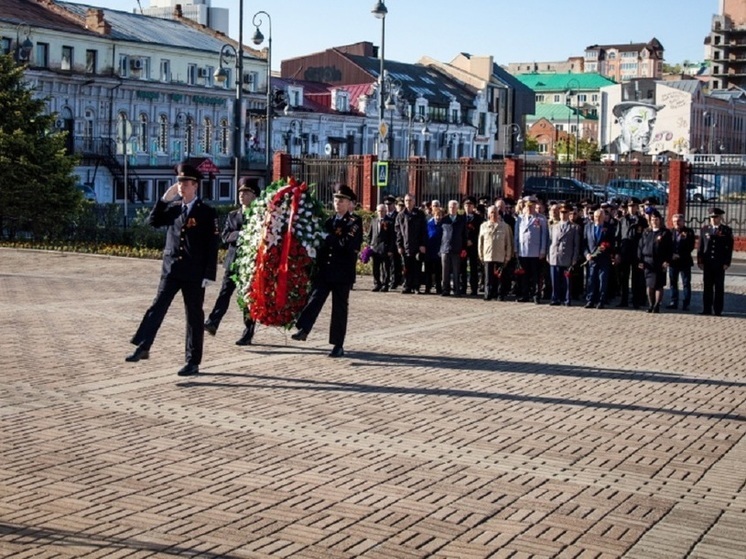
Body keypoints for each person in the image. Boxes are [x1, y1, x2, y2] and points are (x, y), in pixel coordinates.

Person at [126, 163, 220, 376]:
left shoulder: (206, 212)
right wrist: (163, 200)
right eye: (179, 182)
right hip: (172, 269)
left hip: (194, 273)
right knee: (157, 306)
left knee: (194, 317)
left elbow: (211, 245)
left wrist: (209, 274)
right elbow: (153, 222)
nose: (181, 186)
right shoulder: (174, 207)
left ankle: (193, 361)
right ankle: (143, 346)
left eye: (185, 182)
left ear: (195, 186)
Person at [291, 184, 363, 357]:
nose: (338, 203)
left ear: (349, 203)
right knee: (314, 298)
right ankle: (304, 329)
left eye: (342, 200)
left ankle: (338, 344)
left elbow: (346, 244)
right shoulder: (328, 221)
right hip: (325, 270)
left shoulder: (354, 222)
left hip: (342, 272)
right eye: (336, 199)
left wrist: (329, 238)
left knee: (339, 310)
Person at [204, 178, 259, 345]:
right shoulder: (232, 215)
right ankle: (213, 322)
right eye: (241, 192)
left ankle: (248, 333)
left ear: (254, 196)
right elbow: (225, 236)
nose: (242, 195)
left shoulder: (260, 215)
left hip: (250, 263)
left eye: (246, 192)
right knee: (224, 293)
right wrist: (240, 234)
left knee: (246, 298)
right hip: (233, 261)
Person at [697, 207, 734, 316]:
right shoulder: (705, 229)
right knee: (707, 286)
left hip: (719, 263)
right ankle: (706, 309)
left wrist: (727, 262)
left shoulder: (726, 230)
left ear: (720, 218)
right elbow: (700, 246)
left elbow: (729, 248)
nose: (713, 219)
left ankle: (718, 309)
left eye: (715, 217)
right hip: (708, 263)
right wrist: (700, 261)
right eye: (711, 217)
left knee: (718, 287)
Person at [514, 195, 549, 303]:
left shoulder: (541, 218)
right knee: (524, 275)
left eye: (532, 205)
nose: (529, 208)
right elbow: (517, 235)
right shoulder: (520, 218)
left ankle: (536, 295)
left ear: (535, 205)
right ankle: (525, 294)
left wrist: (543, 250)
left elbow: (544, 235)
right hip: (523, 251)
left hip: (535, 252)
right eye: (527, 205)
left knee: (536, 275)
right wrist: (516, 249)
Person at [614, 197, 647, 308]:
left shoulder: (642, 221)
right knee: (624, 278)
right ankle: (624, 300)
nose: (631, 208)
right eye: (629, 206)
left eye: (634, 206)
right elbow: (618, 237)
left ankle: (635, 301)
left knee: (636, 278)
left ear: (637, 207)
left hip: (637, 253)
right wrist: (617, 253)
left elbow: (645, 238)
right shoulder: (623, 220)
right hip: (625, 252)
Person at [638, 210, 673, 313]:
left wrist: (667, 261)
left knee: (658, 285)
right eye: (652, 219)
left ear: (660, 220)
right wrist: (640, 260)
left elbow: (669, 248)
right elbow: (640, 246)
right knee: (649, 285)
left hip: (660, 261)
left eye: (656, 219)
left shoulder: (665, 233)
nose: (654, 221)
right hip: (648, 261)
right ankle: (651, 304)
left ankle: (657, 305)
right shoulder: (646, 231)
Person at [478, 205, 514, 301]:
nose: (494, 214)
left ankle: (500, 294)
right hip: (488, 255)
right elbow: (480, 242)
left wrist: (508, 256)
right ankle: (488, 293)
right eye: (492, 212)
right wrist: (481, 255)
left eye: (495, 212)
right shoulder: (483, 226)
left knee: (500, 277)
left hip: (500, 256)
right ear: (488, 214)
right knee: (488, 278)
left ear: (498, 214)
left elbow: (508, 242)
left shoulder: (505, 226)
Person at [395, 193, 428, 294]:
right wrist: (399, 245)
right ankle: (407, 286)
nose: (408, 203)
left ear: (414, 202)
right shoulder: (400, 215)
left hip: (417, 246)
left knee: (417, 267)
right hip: (405, 246)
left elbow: (424, 231)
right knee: (406, 268)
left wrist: (423, 244)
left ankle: (416, 287)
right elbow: (398, 232)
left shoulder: (420, 214)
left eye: (410, 200)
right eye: (406, 201)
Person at [548, 202, 580, 306]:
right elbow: (549, 241)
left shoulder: (574, 227)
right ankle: (555, 298)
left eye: (565, 212)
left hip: (567, 256)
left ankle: (567, 299)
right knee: (555, 280)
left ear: (568, 213)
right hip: (555, 256)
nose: (563, 214)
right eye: (561, 212)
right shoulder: (553, 226)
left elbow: (576, 244)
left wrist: (574, 258)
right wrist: (548, 255)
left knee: (567, 281)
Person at [582, 208, 615, 309]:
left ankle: (601, 301)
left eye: (600, 216)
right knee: (591, 280)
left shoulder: (609, 227)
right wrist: (587, 254)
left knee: (602, 281)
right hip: (591, 259)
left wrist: (607, 248)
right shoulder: (588, 227)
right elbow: (584, 243)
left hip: (604, 259)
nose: (598, 219)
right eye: (596, 216)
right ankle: (590, 300)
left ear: (604, 217)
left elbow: (612, 242)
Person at [667, 213, 695, 311]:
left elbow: (690, 246)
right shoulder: (670, 232)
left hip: (685, 261)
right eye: (675, 221)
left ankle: (686, 303)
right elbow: (666, 246)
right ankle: (673, 301)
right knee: (673, 282)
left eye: (679, 221)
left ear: (683, 221)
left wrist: (680, 255)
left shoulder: (689, 232)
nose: (677, 223)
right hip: (673, 262)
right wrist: (671, 255)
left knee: (686, 283)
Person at [367, 203, 396, 292]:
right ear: (376, 211)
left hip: (385, 248)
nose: (381, 213)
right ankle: (377, 284)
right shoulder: (374, 220)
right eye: (379, 211)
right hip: (375, 248)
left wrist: (391, 249)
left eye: (383, 211)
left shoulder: (390, 221)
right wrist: (369, 245)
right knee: (375, 268)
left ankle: (385, 284)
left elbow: (393, 237)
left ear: (386, 211)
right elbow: (370, 234)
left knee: (385, 268)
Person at [440, 199, 466, 297]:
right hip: (445, 248)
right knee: (445, 271)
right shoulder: (444, 219)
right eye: (450, 207)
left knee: (456, 271)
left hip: (457, 248)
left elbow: (464, 235)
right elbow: (440, 234)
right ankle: (445, 289)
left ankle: (456, 290)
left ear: (457, 208)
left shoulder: (462, 219)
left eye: (454, 207)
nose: (452, 209)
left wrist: (463, 248)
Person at [460, 196, 483, 296]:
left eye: (470, 205)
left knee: (473, 268)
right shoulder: (460, 217)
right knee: (462, 268)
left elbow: (480, 232)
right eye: (466, 205)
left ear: (474, 206)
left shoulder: (478, 218)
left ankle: (474, 288)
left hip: (474, 246)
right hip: (463, 246)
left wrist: (472, 241)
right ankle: (463, 287)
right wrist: (465, 241)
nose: (468, 207)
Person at [424, 206, 444, 294]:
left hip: (439, 250)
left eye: (440, 215)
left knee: (438, 271)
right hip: (429, 249)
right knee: (428, 270)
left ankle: (438, 288)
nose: (438, 217)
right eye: (437, 215)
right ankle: (427, 287)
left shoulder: (443, 224)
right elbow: (424, 235)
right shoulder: (428, 223)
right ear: (434, 215)